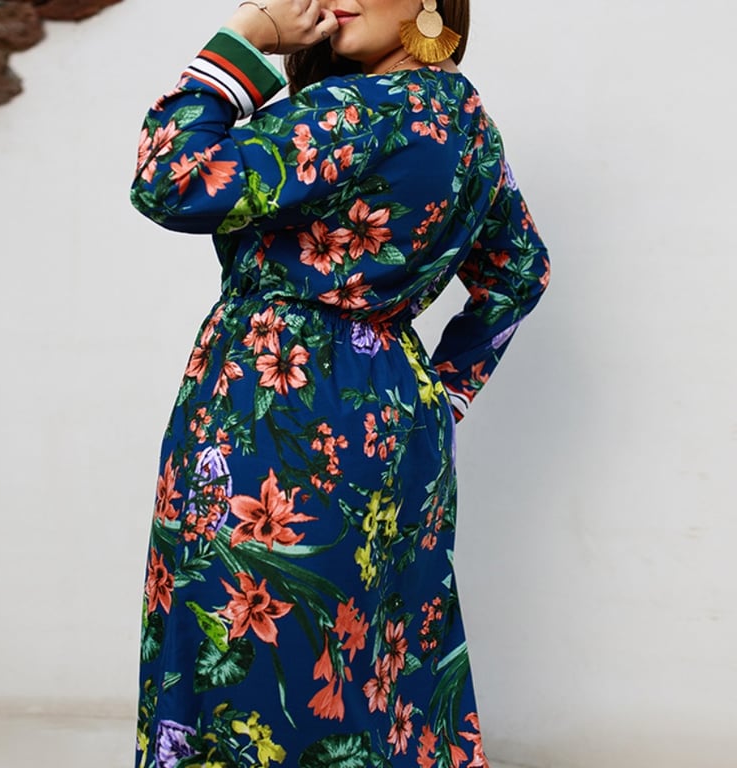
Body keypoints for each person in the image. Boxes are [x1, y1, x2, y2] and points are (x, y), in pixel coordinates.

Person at [130, 1, 549, 766]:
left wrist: (242, 39)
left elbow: (171, 180)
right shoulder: (465, 120)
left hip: (277, 408)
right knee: (379, 661)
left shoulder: (352, 110)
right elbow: (520, 270)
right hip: (397, 412)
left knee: (250, 649)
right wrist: (445, 392)